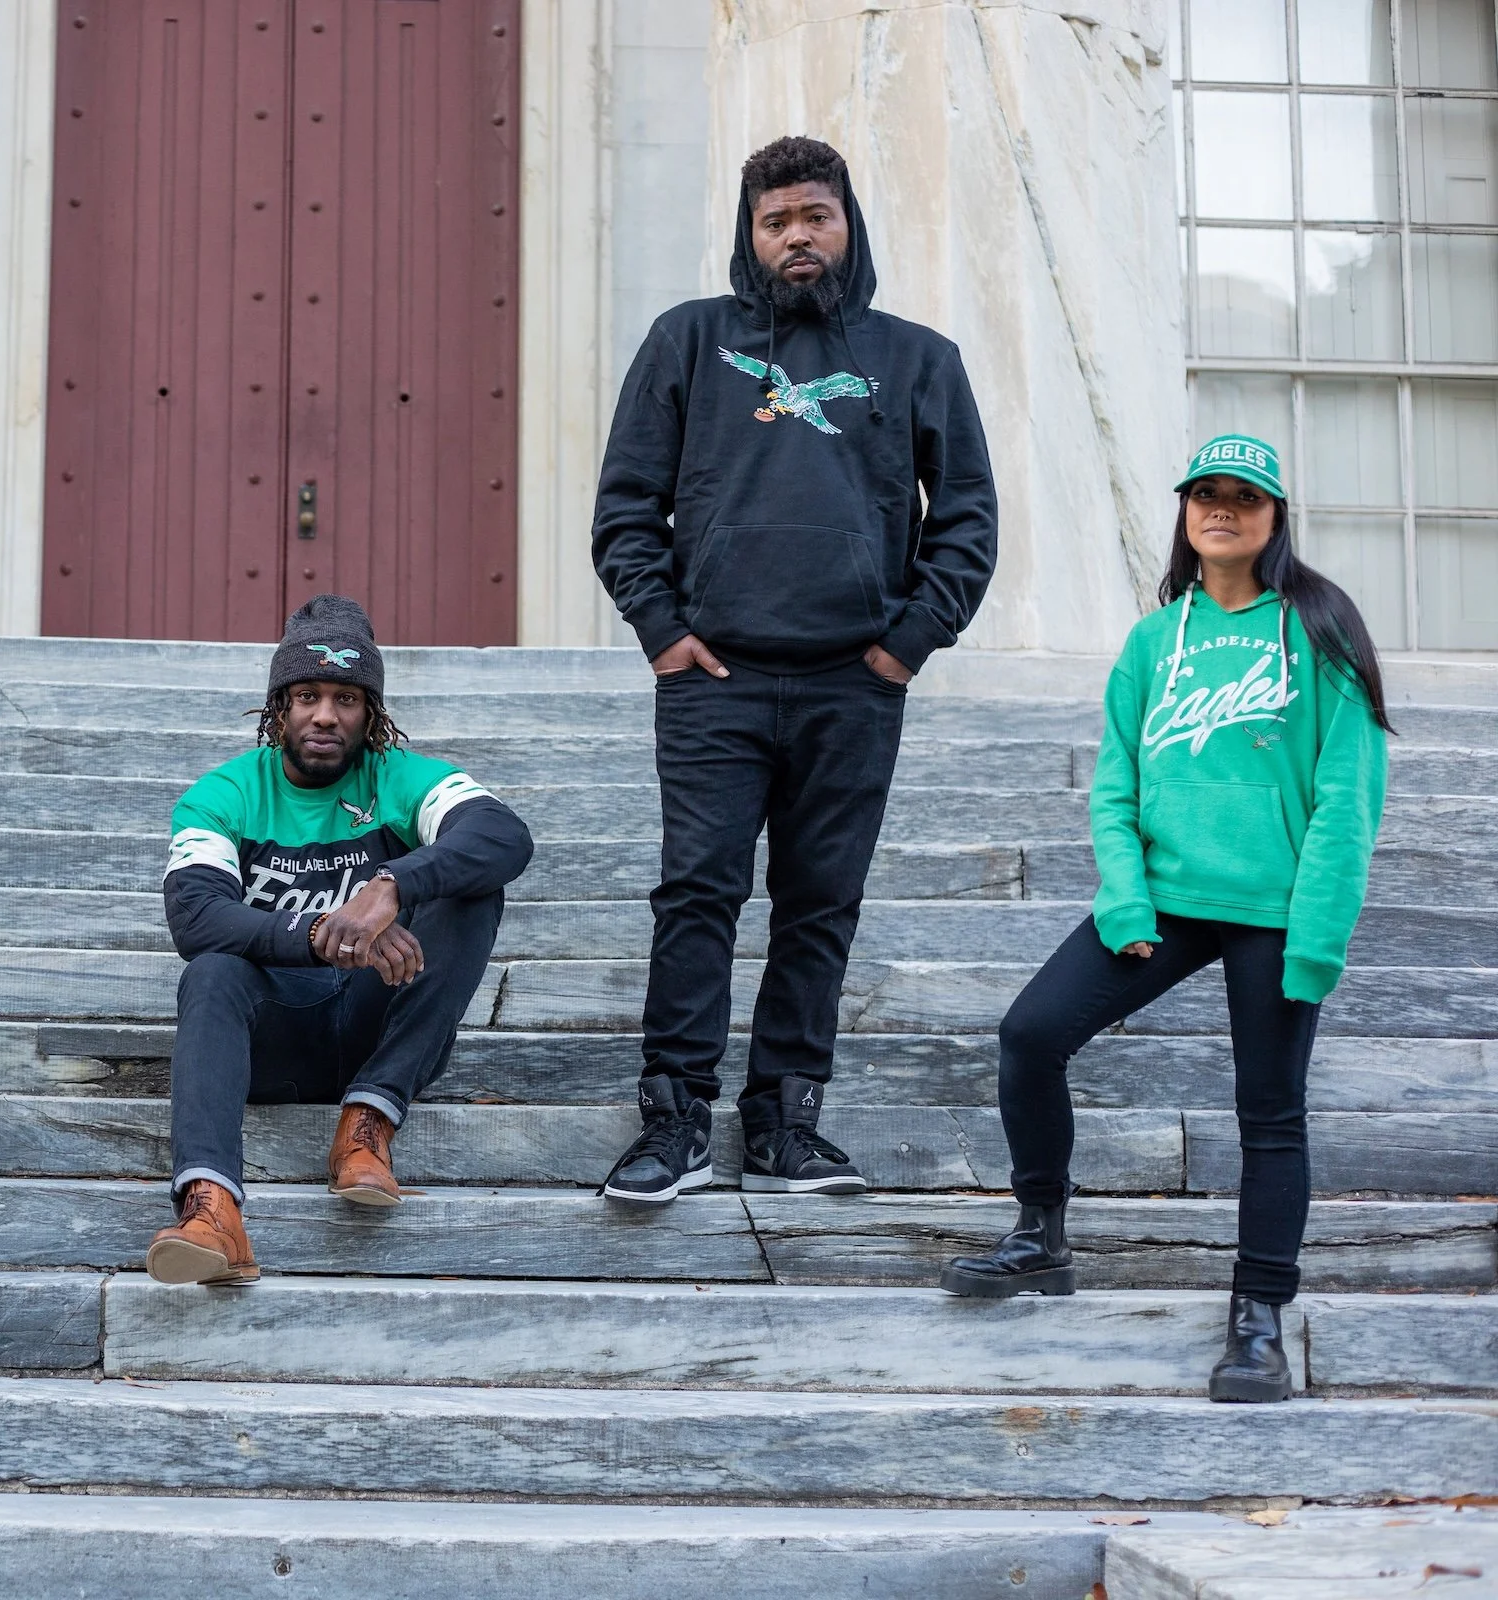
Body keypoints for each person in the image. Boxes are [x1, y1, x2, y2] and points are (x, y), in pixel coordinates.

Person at [590, 136, 999, 1203]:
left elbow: (964, 523)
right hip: (713, 679)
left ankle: (784, 1124)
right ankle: (672, 1120)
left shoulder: (919, 360)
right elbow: (627, 505)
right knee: (697, 897)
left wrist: (905, 646)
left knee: (820, 906)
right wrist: (662, 631)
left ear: (847, 221)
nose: (798, 237)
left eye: (815, 215)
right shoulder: (687, 341)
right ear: (750, 235)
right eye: (777, 222)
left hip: (851, 684)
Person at [942, 434, 1390, 1405]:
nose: (1221, 509)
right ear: (1186, 514)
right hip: (1165, 903)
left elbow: (1347, 796)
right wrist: (1125, 895)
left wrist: (1316, 938)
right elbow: (1117, 784)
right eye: (1204, 495)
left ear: (1276, 517)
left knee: (1270, 1115)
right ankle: (1041, 1235)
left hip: (1274, 913)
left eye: (1244, 496)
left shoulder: (1320, 628)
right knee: (1030, 1031)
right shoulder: (1156, 641)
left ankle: (1259, 1320)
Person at [145, 597, 534, 1284]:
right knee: (210, 971)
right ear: (278, 708)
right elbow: (196, 917)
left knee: (471, 886)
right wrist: (324, 931)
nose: (325, 715)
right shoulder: (224, 793)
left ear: (372, 714)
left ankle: (368, 1123)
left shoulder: (401, 779)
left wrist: (393, 887)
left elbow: (503, 837)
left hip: (374, 1022)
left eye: (347, 698)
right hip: (270, 1039)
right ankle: (211, 1211)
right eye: (307, 696)